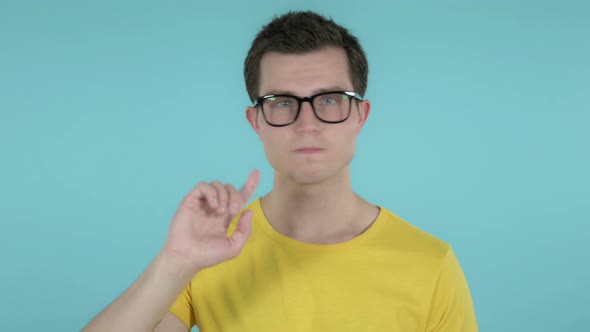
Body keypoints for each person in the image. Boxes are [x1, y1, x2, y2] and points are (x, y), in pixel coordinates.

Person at [83, 10, 478, 332]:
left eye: (330, 99)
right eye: (283, 102)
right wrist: (174, 263)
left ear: (361, 114)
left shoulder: (431, 264)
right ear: (255, 121)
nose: (308, 122)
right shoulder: (211, 250)